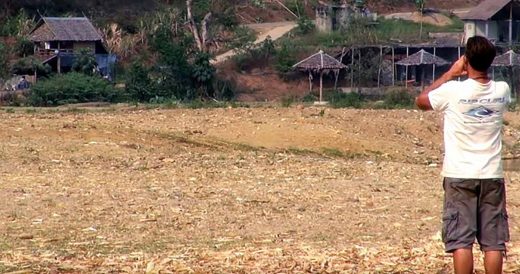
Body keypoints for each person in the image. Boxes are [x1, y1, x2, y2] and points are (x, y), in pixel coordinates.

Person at [416, 36, 511, 274]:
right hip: (491, 174)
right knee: (493, 243)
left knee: (461, 241)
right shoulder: (502, 90)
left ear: (465, 60)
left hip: (459, 174)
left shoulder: (452, 91)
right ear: (491, 62)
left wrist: (451, 72)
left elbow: (421, 101)